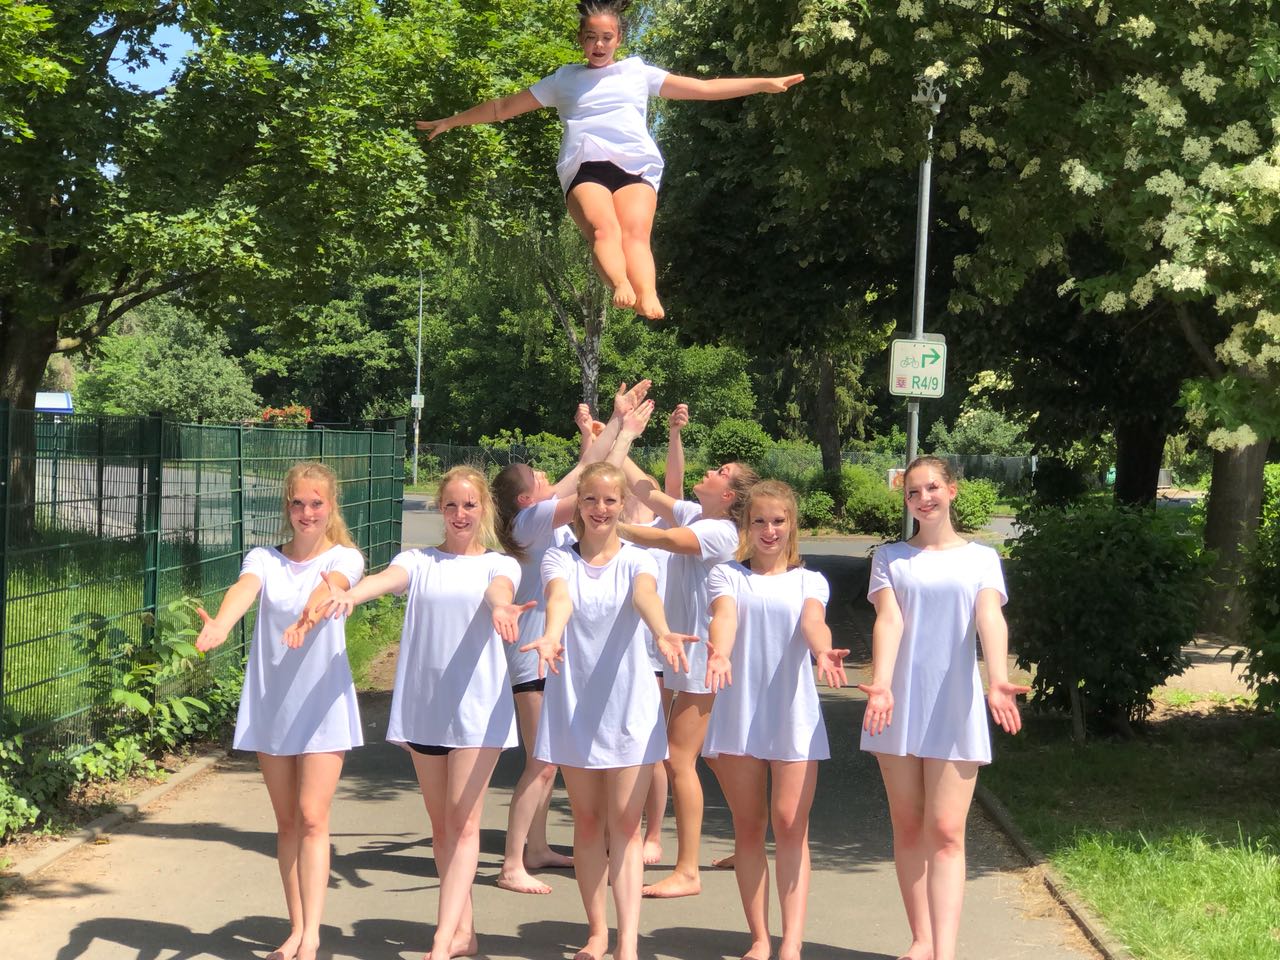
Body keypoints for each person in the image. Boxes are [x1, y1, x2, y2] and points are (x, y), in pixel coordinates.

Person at [415, 0, 803, 321]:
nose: (598, 45)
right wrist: (452, 121)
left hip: (636, 165)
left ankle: (647, 292)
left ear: (619, 39)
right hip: (586, 165)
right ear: (580, 39)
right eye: (590, 38)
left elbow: (702, 88)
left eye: (606, 38)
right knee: (604, 231)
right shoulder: (563, 80)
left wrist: (762, 84)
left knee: (635, 234)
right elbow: (502, 108)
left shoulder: (637, 73)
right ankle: (620, 284)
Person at [311, 466, 533, 960]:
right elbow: (385, 580)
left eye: (469, 505)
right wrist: (349, 594)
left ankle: (441, 937)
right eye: (451, 505)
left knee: (465, 823)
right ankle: (465, 933)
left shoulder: (500, 565)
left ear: (484, 509)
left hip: (477, 710)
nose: (460, 514)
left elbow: (499, 592)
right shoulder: (418, 560)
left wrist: (502, 609)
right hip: (425, 708)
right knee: (443, 828)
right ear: (440, 508)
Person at [519, 462, 699, 960]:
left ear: (622, 505)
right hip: (575, 705)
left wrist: (662, 631)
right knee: (587, 821)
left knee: (625, 826)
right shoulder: (559, 559)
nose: (600, 509)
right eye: (591, 499)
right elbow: (559, 600)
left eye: (610, 500)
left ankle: (628, 942)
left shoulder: (640, 558)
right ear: (579, 504)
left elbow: (645, 596)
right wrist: (551, 635)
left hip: (630, 706)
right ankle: (597, 932)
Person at [858, 456, 1030, 960]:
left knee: (948, 831)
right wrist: (882, 684)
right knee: (909, 827)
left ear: (951, 490)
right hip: (897, 705)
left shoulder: (981, 558)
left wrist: (997, 679)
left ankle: (945, 952)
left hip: (956, 705)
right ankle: (922, 940)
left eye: (932, 487)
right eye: (913, 492)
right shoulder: (891, 557)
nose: (923, 498)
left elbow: (990, 617)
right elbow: (889, 621)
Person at [194, 462, 365, 960]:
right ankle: (296, 929)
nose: (307, 512)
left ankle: (313, 935)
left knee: (313, 816)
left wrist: (306, 622)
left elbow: (328, 589)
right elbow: (244, 590)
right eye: (297, 503)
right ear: (287, 507)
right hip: (273, 703)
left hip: (322, 702)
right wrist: (222, 624)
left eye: (316, 503)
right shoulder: (264, 558)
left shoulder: (346, 557)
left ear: (330, 506)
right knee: (287, 822)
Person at [492, 383, 654, 894]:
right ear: (526, 498)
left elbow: (586, 469)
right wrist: (623, 433)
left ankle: (536, 848)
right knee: (542, 765)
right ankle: (511, 863)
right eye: (541, 478)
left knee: (549, 763)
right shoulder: (531, 520)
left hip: (551, 656)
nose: (549, 478)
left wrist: (612, 422)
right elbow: (591, 483)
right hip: (536, 657)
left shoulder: (537, 517)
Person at [703, 481, 849, 960]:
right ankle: (760, 939)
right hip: (739, 711)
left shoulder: (810, 580)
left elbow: (812, 622)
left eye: (778, 521)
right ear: (747, 525)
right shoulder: (726, 576)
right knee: (749, 827)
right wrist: (720, 653)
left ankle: (792, 942)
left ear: (792, 524)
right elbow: (724, 618)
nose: (769, 530)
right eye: (760, 521)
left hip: (793, 715)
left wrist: (823, 651)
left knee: (789, 824)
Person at [617, 428, 760, 899]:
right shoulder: (700, 514)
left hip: (704, 657)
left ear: (729, 495)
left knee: (679, 759)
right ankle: (750, 842)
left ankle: (687, 871)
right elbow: (646, 491)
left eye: (721, 471)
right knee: (715, 758)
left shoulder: (720, 531)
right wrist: (618, 437)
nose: (711, 470)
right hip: (690, 656)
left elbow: (664, 540)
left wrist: (606, 524)